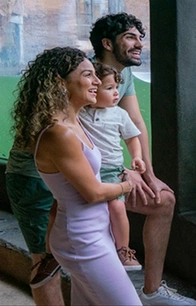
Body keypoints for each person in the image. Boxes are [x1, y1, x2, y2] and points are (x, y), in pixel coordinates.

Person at [12, 46, 142, 304]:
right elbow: (93, 193)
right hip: (82, 240)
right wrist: (127, 185)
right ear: (60, 83)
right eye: (88, 75)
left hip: (93, 232)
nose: (97, 81)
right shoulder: (59, 134)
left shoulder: (75, 122)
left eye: (96, 75)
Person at [88, 12, 196, 305]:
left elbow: (134, 123)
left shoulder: (123, 77)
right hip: (75, 177)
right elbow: (69, 132)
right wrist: (123, 171)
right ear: (107, 43)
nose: (139, 44)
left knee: (164, 200)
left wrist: (148, 175)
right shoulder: (86, 75)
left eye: (140, 38)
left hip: (105, 173)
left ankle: (151, 292)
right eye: (130, 37)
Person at [79, 62, 146, 271]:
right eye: (109, 88)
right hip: (87, 170)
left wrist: (137, 157)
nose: (116, 93)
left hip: (111, 170)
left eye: (117, 87)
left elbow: (132, 137)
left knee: (117, 207)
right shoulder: (80, 113)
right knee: (94, 210)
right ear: (93, 89)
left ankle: (123, 249)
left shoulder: (119, 114)